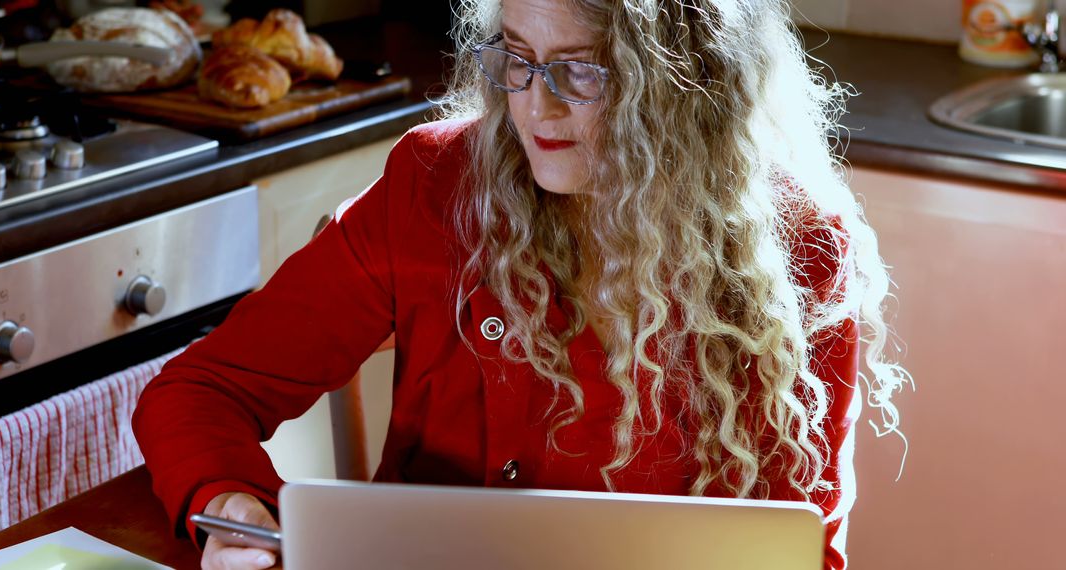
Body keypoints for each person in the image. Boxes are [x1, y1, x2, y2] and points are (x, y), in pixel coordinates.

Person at [133, 0, 910, 568]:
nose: (536, 105)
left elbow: (800, 546)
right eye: (516, 56)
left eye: (582, 69)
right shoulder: (433, 184)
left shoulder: (798, 250)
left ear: (686, 84)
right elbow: (198, 392)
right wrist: (233, 509)